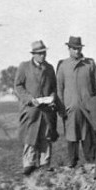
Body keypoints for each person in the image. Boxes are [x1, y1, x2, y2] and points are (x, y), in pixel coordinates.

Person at [15, 40, 65, 175]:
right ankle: (29, 163)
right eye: (40, 53)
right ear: (34, 54)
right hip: (31, 109)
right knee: (30, 136)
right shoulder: (24, 67)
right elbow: (18, 86)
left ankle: (45, 162)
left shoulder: (49, 68)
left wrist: (53, 97)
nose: (43, 56)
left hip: (47, 109)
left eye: (44, 53)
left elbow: (54, 87)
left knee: (46, 135)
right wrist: (30, 99)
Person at [56, 36, 96, 168]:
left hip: (87, 108)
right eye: (74, 49)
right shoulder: (63, 65)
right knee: (71, 136)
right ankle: (72, 163)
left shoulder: (89, 64)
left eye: (78, 48)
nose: (76, 51)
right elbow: (59, 89)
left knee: (88, 137)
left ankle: (91, 162)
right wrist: (61, 108)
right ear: (68, 49)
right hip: (70, 109)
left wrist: (95, 107)